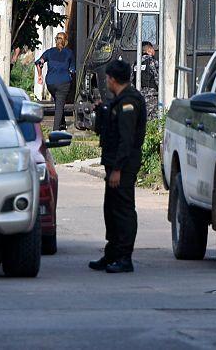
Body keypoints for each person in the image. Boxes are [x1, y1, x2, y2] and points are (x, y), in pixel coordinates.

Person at [89, 59, 147, 274]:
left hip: (123, 166)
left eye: (107, 78)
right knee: (111, 209)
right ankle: (112, 253)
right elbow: (110, 130)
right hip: (114, 164)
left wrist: (117, 169)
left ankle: (124, 257)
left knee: (123, 210)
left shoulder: (129, 102)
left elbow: (126, 140)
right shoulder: (118, 101)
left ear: (112, 79)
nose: (106, 82)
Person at [34, 32, 75, 130]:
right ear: (66, 41)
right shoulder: (69, 53)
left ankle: (62, 123)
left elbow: (39, 63)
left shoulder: (49, 52)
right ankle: (55, 130)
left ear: (56, 40)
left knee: (59, 102)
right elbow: (72, 69)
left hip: (50, 83)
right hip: (63, 82)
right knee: (59, 105)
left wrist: (39, 76)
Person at [138, 41, 159, 114]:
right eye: (153, 49)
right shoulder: (152, 61)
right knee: (153, 117)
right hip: (151, 95)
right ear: (149, 50)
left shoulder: (136, 63)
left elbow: (131, 80)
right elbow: (157, 77)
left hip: (139, 95)